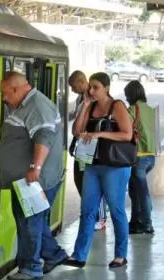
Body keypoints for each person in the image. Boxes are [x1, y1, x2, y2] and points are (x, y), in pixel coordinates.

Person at [0, 71, 69, 280]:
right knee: (33, 220)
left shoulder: (37, 105)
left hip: (34, 181)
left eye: (5, 93)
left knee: (29, 222)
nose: (3, 98)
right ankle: (54, 255)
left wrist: (35, 167)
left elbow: (44, 137)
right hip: (27, 179)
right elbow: (18, 140)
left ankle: (30, 267)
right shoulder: (25, 105)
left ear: (16, 89)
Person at [64, 72, 133, 269]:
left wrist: (99, 133)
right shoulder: (90, 105)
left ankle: (120, 254)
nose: (91, 91)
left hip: (114, 166)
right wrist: (85, 106)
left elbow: (127, 134)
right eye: (90, 87)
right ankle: (79, 255)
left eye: (95, 87)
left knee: (116, 209)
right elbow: (76, 131)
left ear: (107, 88)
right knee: (87, 210)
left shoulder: (116, 106)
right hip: (92, 164)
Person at [68, 70, 107, 231]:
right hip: (82, 146)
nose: (72, 90)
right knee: (80, 179)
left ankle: (100, 218)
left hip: (92, 146)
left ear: (81, 81)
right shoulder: (81, 100)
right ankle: (90, 213)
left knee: (92, 184)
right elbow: (77, 126)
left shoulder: (96, 101)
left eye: (73, 86)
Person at [123, 80, 157, 234]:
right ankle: (135, 221)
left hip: (139, 156)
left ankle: (147, 223)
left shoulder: (132, 109)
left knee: (142, 191)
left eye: (127, 95)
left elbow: (124, 128)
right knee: (135, 189)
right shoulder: (149, 109)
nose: (126, 98)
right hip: (151, 156)